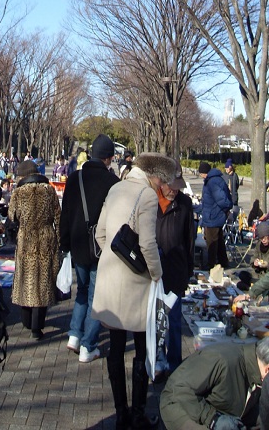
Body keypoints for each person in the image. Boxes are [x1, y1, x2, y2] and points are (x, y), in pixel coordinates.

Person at [91, 152, 176, 430]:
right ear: (156, 177)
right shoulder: (147, 197)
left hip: (109, 279)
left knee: (115, 349)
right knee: (141, 348)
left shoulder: (116, 187)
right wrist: (156, 276)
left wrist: (114, 257)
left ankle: (120, 414)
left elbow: (100, 233)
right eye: (164, 182)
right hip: (137, 284)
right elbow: (149, 245)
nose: (164, 188)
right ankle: (138, 415)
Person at [59, 134, 120, 363]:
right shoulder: (113, 183)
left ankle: (74, 335)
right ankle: (88, 346)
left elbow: (65, 214)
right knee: (97, 296)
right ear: (109, 158)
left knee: (82, 291)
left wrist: (65, 244)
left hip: (77, 245)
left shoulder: (74, 178)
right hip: (100, 248)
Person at [160, 337, 269, 430]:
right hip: (180, 403)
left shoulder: (256, 371)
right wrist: (213, 418)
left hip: (219, 409)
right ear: (267, 369)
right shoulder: (224, 360)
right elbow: (180, 389)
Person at [7, 160, 61, 340]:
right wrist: (60, 241)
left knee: (26, 280)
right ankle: (37, 328)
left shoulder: (18, 193)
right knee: (43, 282)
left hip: (27, 240)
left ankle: (26, 320)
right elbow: (58, 216)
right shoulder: (49, 190)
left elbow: (12, 216)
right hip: (46, 238)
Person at [154, 159, 195, 379]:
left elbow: (189, 239)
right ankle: (159, 362)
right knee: (157, 321)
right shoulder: (149, 201)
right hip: (154, 271)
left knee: (175, 321)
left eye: (178, 186)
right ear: (161, 182)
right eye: (171, 185)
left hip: (177, 269)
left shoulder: (185, 204)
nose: (174, 191)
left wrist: (189, 270)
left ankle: (175, 365)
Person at [198, 161, 232, 270]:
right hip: (214, 214)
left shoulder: (212, 182)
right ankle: (223, 261)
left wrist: (224, 209)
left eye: (200, 173)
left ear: (204, 173)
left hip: (213, 216)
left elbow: (222, 200)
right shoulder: (214, 180)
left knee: (211, 241)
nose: (200, 175)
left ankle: (211, 265)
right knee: (219, 240)